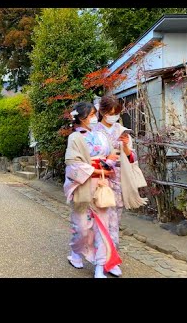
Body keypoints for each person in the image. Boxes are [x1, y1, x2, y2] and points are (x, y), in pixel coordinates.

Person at [64, 101, 121, 278]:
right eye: (91, 115)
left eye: (94, 114)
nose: (94, 118)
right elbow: (73, 165)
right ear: (81, 118)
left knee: (102, 226)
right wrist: (97, 169)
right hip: (83, 185)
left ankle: (100, 265)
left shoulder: (101, 136)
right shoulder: (74, 138)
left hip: (102, 185)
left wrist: (110, 161)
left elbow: (111, 156)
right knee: (81, 226)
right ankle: (76, 252)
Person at [92, 94, 136, 277]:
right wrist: (104, 161)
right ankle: (99, 263)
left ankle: (112, 261)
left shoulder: (121, 129)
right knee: (101, 222)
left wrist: (126, 147)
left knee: (114, 223)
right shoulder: (93, 130)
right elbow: (88, 158)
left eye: (116, 113)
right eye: (110, 112)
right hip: (100, 179)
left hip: (118, 181)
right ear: (101, 111)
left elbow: (132, 159)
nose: (114, 116)